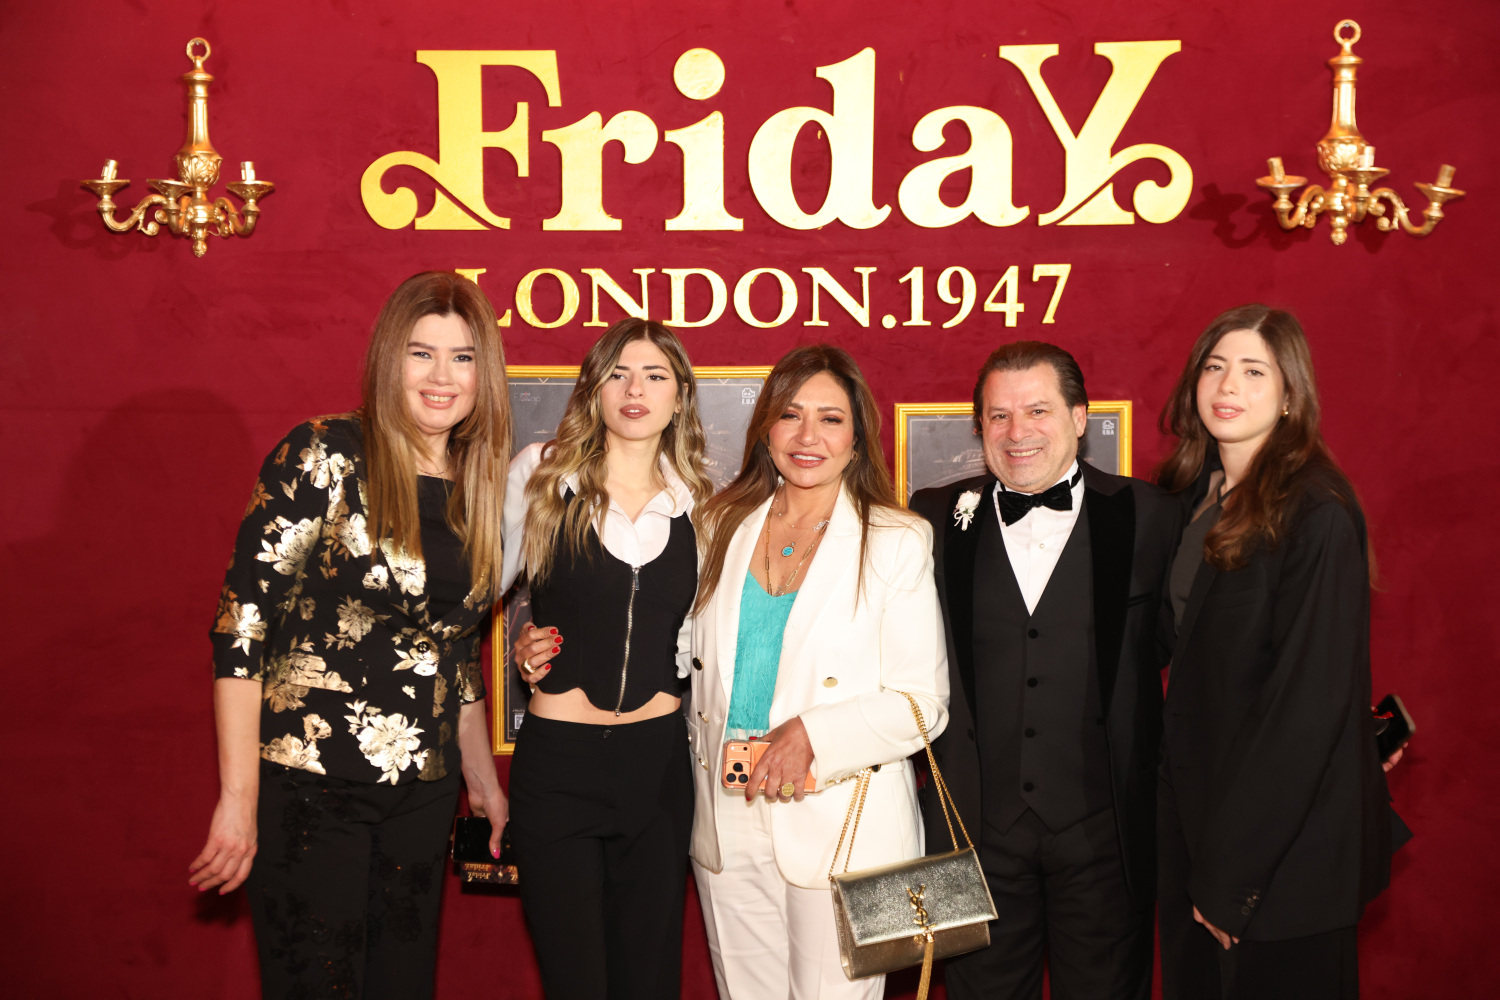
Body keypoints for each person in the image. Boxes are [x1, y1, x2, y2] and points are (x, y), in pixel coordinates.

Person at [189, 271, 512, 999]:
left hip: (423, 796)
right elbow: (241, 628)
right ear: (389, 358)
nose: (441, 376)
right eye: (421, 353)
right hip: (313, 783)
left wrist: (482, 783)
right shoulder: (324, 453)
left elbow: (455, 651)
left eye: (462, 357)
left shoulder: (479, 480)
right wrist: (238, 800)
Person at [909, 341, 1182, 1000]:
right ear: (979, 426)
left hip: (1106, 831)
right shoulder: (933, 516)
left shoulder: (1150, 514)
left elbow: (1191, 654)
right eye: (998, 415)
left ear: (1080, 418)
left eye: (1037, 411)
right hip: (971, 832)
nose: (1017, 432)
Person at [688, 344, 949, 1000]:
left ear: (857, 439)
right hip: (727, 811)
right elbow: (682, 654)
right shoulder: (717, 524)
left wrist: (813, 733)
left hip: (848, 816)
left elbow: (923, 704)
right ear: (765, 430)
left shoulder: (897, 538)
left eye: (830, 419)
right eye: (790, 415)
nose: (808, 437)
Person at [1154, 305, 1391, 999]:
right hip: (1200, 829)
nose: (1229, 385)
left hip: (1275, 862)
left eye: (1254, 371)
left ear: (1290, 395)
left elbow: (1302, 710)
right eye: (1215, 366)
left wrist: (1231, 882)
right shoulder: (1197, 497)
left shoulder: (1316, 511)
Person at [501, 319, 712, 1000]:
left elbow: (711, 638)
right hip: (557, 768)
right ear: (594, 390)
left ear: (679, 397)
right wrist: (520, 641)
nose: (634, 390)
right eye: (618, 374)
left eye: (654, 376)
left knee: (649, 980)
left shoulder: (704, 506)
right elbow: (480, 587)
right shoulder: (541, 474)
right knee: (575, 980)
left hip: (658, 770)